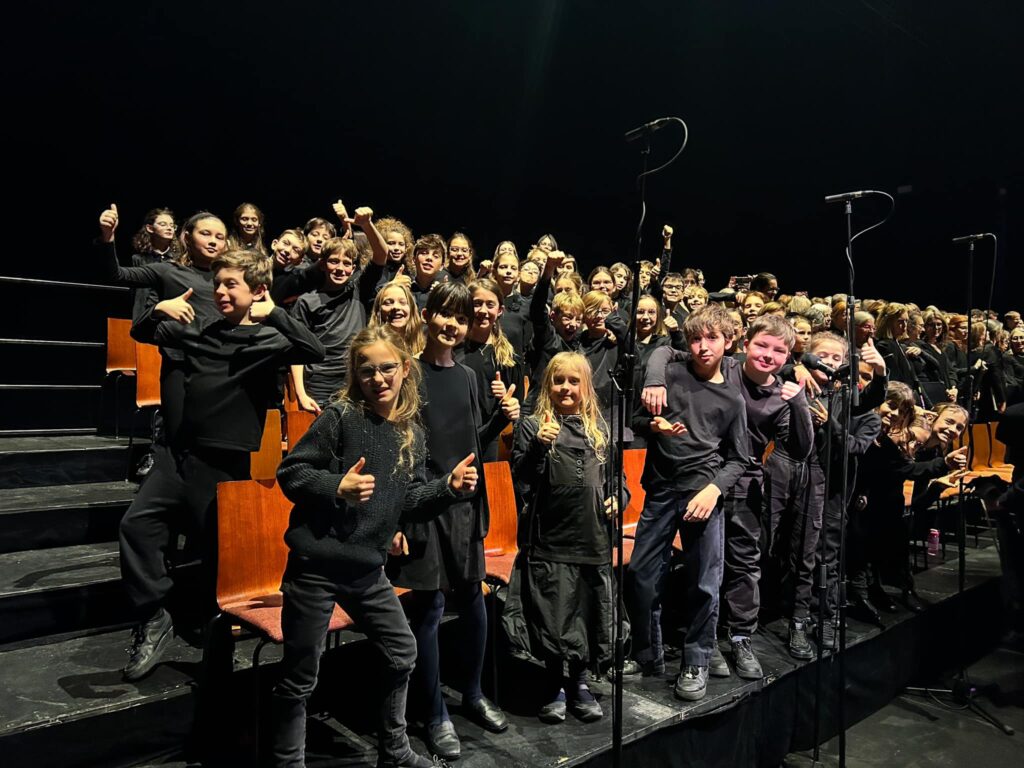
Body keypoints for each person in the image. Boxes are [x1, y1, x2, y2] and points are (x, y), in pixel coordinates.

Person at [272, 325, 478, 768]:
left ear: (405, 368)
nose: (379, 378)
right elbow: (290, 473)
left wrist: (449, 487)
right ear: (356, 375)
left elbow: (407, 502)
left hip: (367, 569)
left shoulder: (411, 433)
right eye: (368, 371)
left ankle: (396, 750)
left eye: (388, 368)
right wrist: (335, 485)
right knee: (300, 673)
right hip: (316, 566)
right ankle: (288, 761)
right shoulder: (340, 417)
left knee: (402, 651)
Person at [120, 250, 325, 681]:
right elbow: (142, 334)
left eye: (232, 284)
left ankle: (217, 650)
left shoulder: (269, 341)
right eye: (219, 284)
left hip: (223, 466)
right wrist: (158, 307)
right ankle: (155, 617)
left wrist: (276, 316)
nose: (221, 291)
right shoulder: (198, 328)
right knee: (136, 528)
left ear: (258, 291)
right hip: (178, 457)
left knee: (216, 559)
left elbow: (315, 349)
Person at [642, 315, 813, 679]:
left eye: (779, 351)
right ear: (744, 343)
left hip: (743, 481)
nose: (768, 355)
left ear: (788, 356)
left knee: (741, 565)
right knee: (700, 570)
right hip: (700, 479)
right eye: (762, 345)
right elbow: (663, 352)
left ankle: (738, 638)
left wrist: (799, 403)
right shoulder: (725, 366)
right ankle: (708, 645)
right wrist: (655, 380)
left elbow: (801, 448)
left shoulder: (782, 393)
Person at [388, 282, 517, 760]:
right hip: (425, 504)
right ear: (427, 315)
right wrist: (402, 514)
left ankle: (474, 693)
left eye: (460, 319)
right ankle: (434, 712)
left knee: (474, 600)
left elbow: (469, 440)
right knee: (430, 610)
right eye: (444, 314)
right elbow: (403, 448)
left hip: (464, 504)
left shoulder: (467, 375)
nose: (452, 325)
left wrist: (499, 422)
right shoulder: (410, 373)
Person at [628, 304, 752, 701]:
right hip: (662, 489)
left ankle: (696, 658)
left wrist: (713, 490)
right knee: (642, 574)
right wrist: (654, 424)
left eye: (711, 339)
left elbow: (739, 458)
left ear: (728, 342)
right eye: (696, 338)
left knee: (704, 582)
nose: (702, 347)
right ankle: (647, 653)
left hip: (702, 494)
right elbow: (636, 420)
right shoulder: (672, 373)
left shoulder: (732, 398)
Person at [507, 352, 623, 723]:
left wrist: (618, 498)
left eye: (574, 382)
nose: (566, 388)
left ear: (586, 387)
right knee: (555, 612)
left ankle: (582, 681)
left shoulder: (600, 431)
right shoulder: (532, 426)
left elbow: (617, 480)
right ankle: (556, 682)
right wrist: (539, 445)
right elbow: (521, 480)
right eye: (559, 381)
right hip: (550, 538)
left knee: (588, 609)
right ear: (548, 386)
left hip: (591, 538)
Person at [458, 278, 526, 460]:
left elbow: (516, 407)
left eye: (490, 305)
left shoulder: (509, 359)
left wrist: (508, 405)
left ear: (500, 310)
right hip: (453, 438)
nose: (483, 311)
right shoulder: (451, 348)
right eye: (476, 304)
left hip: (490, 443)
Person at [370, 280, 425, 357]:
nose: (396, 307)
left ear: (411, 309)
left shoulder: (424, 349)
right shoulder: (369, 348)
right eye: (388, 303)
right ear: (378, 311)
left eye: (402, 302)